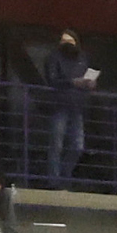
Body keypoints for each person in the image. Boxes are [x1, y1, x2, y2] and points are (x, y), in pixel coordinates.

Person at [37, 30, 94, 188]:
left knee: (78, 146)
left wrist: (89, 85)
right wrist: (72, 82)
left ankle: (64, 175)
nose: (68, 44)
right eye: (64, 41)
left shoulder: (82, 58)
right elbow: (52, 79)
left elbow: (86, 79)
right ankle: (55, 182)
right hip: (59, 105)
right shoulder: (53, 57)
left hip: (77, 106)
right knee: (57, 144)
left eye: (70, 41)